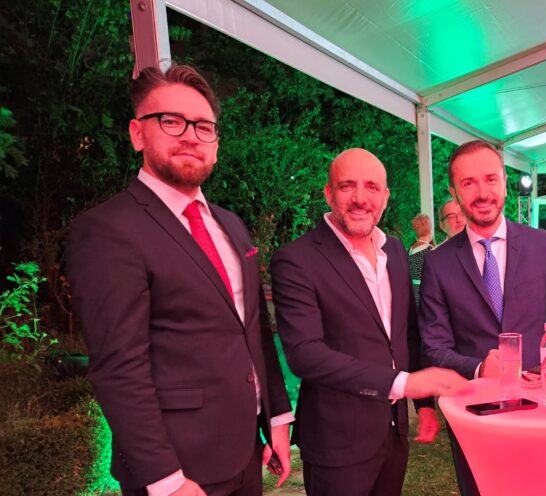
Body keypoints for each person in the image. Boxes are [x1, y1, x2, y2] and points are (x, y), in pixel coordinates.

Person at [65, 63, 293, 496]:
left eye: (203, 126)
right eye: (171, 121)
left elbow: (255, 330)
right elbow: (119, 368)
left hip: (245, 453)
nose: (191, 136)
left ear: (216, 145)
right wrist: (166, 481)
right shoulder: (108, 230)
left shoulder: (231, 225)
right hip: (178, 470)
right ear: (137, 134)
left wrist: (277, 419)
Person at [269, 148, 468, 496]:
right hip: (336, 442)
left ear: (385, 197)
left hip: (393, 436)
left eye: (372, 187)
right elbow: (305, 354)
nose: (361, 198)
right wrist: (406, 384)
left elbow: (407, 333)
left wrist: (422, 406)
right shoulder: (296, 260)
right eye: (347, 186)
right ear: (329, 193)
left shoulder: (395, 251)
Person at [419, 140, 546, 496]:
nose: (482, 193)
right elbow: (433, 347)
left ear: (505, 183)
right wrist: (479, 368)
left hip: (543, 408)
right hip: (475, 411)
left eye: (490, 179)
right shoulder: (437, 262)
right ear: (453, 193)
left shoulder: (543, 245)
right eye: (468, 183)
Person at [408, 214, 435, 302]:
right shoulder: (430, 250)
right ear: (430, 229)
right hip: (426, 294)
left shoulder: (411, 248)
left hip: (414, 294)